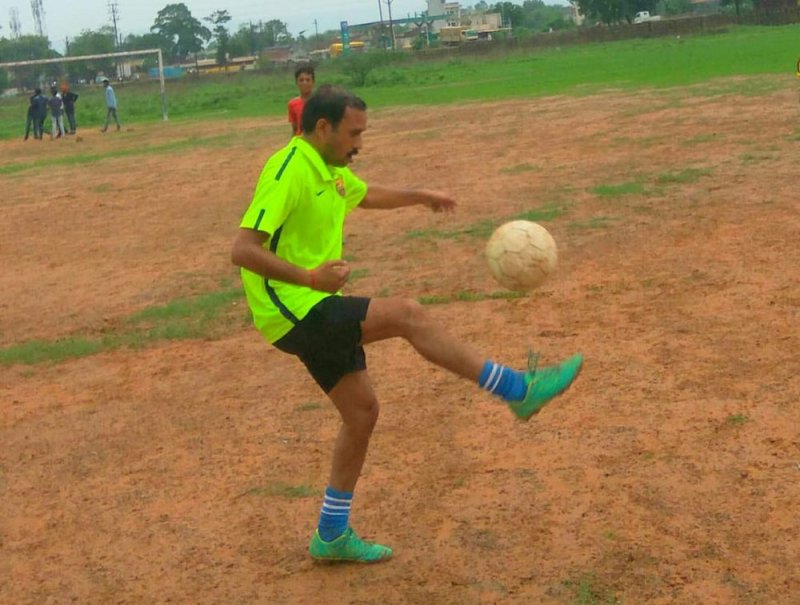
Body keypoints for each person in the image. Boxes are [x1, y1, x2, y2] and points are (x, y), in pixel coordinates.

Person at [230, 85, 583, 564]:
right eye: (354, 133)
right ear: (321, 128)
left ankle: (331, 535)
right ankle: (516, 388)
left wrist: (422, 196)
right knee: (407, 314)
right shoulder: (289, 168)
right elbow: (244, 249)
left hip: (309, 303)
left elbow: (364, 194)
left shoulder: (329, 170)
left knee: (361, 413)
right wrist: (309, 277)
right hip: (292, 307)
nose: (360, 143)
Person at [287, 64, 314, 137]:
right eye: (301, 80)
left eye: (308, 80)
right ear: (296, 82)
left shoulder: (320, 102)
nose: (304, 83)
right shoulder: (292, 104)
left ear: (313, 82)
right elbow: (295, 129)